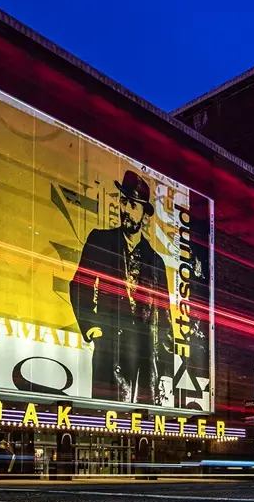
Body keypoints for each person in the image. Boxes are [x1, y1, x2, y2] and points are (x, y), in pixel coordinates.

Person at [70, 170, 175, 405]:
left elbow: (164, 316)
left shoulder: (155, 261)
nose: (126, 209)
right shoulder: (100, 240)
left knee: (142, 423)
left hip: (144, 355)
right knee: (104, 415)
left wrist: (166, 373)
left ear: (145, 215)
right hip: (111, 348)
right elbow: (79, 284)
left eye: (134, 205)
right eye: (124, 202)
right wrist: (91, 327)